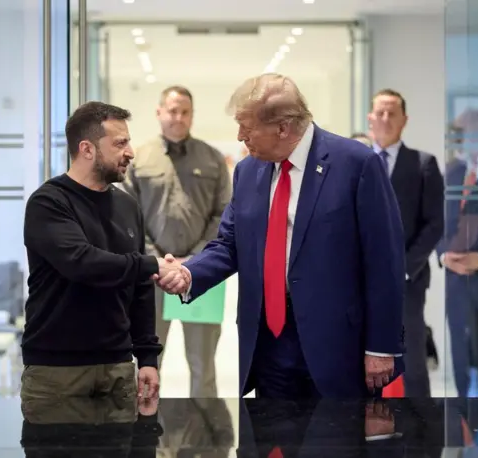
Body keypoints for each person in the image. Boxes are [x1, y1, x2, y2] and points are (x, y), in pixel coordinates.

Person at [157, 73, 406, 399]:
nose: (240, 135)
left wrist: (382, 346)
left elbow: (384, 260)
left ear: (283, 128)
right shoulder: (248, 171)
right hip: (268, 344)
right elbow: (231, 242)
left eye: (247, 126)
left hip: (337, 346)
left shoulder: (356, 164)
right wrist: (189, 273)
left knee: (334, 444)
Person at [21, 101, 185, 404]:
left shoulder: (127, 205)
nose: (130, 152)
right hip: (57, 372)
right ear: (87, 149)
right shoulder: (48, 203)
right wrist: (153, 264)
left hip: (118, 368)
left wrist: (148, 357)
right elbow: (81, 263)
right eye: (120, 143)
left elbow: (139, 288)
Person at [123, 86, 232, 398]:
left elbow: (223, 215)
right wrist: (157, 260)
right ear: (159, 112)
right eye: (172, 110)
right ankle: (143, 438)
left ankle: (204, 445)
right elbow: (129, 217)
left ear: (192, 116)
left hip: (202, 279)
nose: (178, 117)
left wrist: (194, 262)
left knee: (203, 365)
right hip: (151, 278)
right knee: (147, 364)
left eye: (185, 111)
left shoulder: (212, 159)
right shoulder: (139, 159)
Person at [368, 89, 444, 397]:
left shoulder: (423, 164)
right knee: (356, 360)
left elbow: (435, 224)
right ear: (370, 118)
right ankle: (358, 436)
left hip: (407, 282)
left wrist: (404, 268)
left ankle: (420, 438)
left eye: (392, 113)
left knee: (411, 360)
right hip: (359, 280)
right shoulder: (354, 162)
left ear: (404, 120)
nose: (385, 119)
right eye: (380, 112)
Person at [437, 109, 478, 397]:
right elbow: (436, 221)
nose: (470, 138)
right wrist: (443, 255)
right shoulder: (451, 172)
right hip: (456, 275)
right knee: (461, 351)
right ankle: (465, 422)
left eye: (477, 131)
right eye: (464, 133)